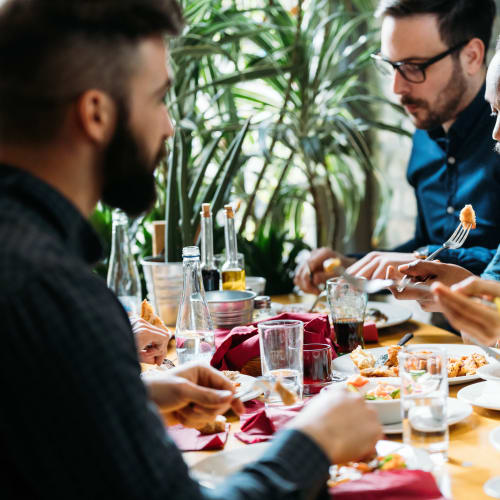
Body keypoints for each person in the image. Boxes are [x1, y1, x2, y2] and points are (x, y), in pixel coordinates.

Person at [0, 1, 382, 499]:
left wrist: (129, 396)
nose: (169, 126)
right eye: (158, 98)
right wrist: (313, 443)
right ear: (95, 113)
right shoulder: (55, 294)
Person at [295, 0, 500, 295]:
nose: (397, 88)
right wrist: (353, 265)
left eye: (414, 67)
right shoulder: (425, 135)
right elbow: (425, 243)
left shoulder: (498, 138)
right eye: (391, 66)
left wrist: (423, 258)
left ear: (472, 56)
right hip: (443, 337)